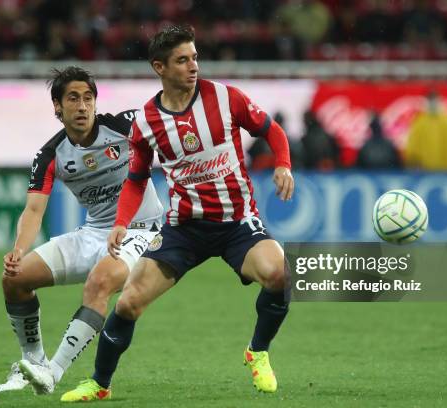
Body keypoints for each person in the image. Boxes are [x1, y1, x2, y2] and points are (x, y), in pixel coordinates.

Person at [61, 25, 294, 402]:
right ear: (160, 67)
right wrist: (121, 222)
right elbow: (136, 180)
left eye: (195, 57)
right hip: (183, 228)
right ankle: (99, 384)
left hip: (237, 222)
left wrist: (283, 163)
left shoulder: (225, 97)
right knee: (128, 301)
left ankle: (258, 351)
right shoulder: (146, 122)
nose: (193, 66)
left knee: (280, 274)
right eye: (183, 60)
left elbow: (272, 130)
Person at [0, 66, 164, 395]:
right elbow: (33, 209)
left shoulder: (123, 126)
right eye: (73, 98)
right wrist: (19, 250)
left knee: (100, 282)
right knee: (14, 279)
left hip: (142, 231)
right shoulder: (50, 155)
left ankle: (53, 373)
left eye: (88, 98)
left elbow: (167, 122)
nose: (83, 106)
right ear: (57, 107)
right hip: (94, 232)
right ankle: (33, 361)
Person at [404, 91, 447, 170]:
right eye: (431, 102)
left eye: (435, 102)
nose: (433, 105)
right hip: (425, 170)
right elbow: (412, 147)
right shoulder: (419, 123)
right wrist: (414, 162)